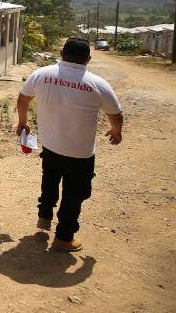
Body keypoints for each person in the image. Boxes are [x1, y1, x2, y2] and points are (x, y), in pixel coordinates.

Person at [16, 37, 123, 252]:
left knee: (50, 178)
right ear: (88, 59)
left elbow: (23, 99)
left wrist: (22, 122)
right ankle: (64, 238)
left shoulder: (41, 74)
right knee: (74, 194)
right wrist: (116, 131)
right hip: (80, 152)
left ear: (62, 54)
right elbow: (116, 115)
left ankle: (44, 215)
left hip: (50, 145)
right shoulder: (98, 83)